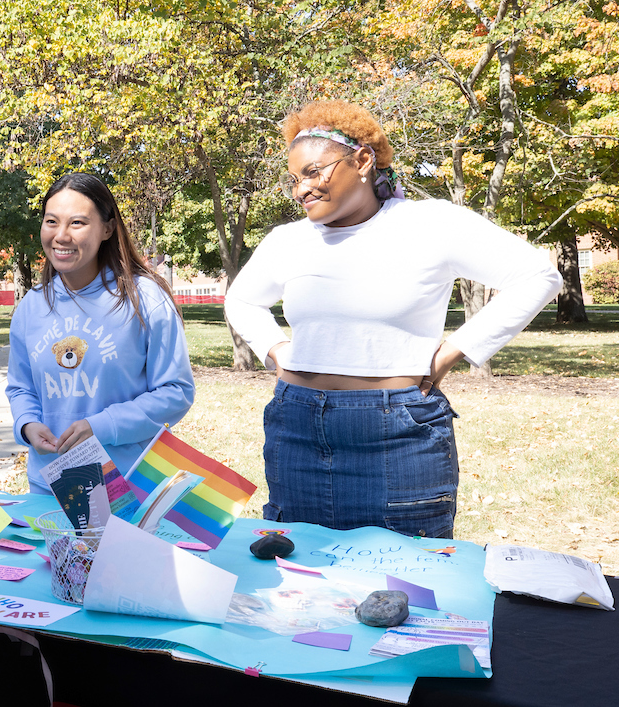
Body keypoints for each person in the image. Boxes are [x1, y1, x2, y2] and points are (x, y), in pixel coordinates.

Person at [224, 100, 562, 539]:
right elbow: (243, 300)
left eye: (313, 172)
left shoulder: (430, 224)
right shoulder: (287, 241)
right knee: (300, 581)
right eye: (294, 179)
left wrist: (452, 353)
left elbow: (538, 275)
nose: (301, 189)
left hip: (397, 432)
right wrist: (276, 350)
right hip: (298, 428)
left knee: (408, 584)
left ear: (362, 160)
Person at [6, 173, 195, 496]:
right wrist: (27, 425)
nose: (61, 236)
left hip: (126, 487)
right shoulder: (31, 306)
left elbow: (176, 392)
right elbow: (21, 387)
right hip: (48, 486)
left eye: (77, 223)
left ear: (107, 228)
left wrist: (100, 427)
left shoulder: (144, 298)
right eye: (51, 221)